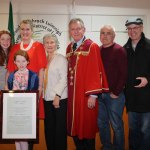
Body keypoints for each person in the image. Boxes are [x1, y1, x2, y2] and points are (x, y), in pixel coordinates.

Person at [66, 18, 109, 150]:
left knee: (87, 128)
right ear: (70, 31)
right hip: (72, 97)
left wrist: (94, 95)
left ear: (84, 30)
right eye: (73, 29)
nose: (76, 31)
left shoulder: (91, 46)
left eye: (78, 28)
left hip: (86, 96)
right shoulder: (69, 47)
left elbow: (96, 70)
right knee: (75, 128)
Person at [5, 19, 47, 150]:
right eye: (22, 29)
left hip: (32, 92)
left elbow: (41, 69)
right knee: (18, 123)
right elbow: (10, 70)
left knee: (30, 123)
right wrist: (7, 88)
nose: (25, 32)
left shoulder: (39, 46)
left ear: (32, 31)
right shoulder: (15, 47)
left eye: (27, 29)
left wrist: (40, 88)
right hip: (16, 93)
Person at [98, 25, 127, 150]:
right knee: (102, 124)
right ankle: (107, 147)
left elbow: (124, 73)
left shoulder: (119, 50)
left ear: (113, 36)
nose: (105, 36)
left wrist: (116, 92)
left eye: (108, 33)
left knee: (116, 125)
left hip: (114, 95)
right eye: (102, 33)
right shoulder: (98, 50)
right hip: (100, 95)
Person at [124, 17, 150, 150]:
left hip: (147, 100)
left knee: (146, 133)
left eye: (135, 28)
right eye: (129, 28)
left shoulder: (149, 46)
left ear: (141, 28)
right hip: (131, 100)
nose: (132, 31)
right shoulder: (124, 49)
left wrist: (148, 79)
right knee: (133, 132)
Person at [7, 50, 39, 150]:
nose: (21, 64)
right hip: (15, 109)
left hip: (27, 109)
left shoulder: (33, 76)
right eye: (18, 61)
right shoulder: (11, 76)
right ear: (14, 62)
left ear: (28, 62)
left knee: (24, 136)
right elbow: (10, 92)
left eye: (23, 61)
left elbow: (34, 93)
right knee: (16, 136)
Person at [43, 34, 68, 150]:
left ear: (56, 44)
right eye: (47, 42)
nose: (49, 44)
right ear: (44, 44)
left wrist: (57, 95)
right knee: (49, 129)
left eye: (52, 42)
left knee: (59, 131)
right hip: (47, 99)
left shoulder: (61, 59)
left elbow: (64, 78)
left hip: (59, 99)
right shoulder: (44, 59)